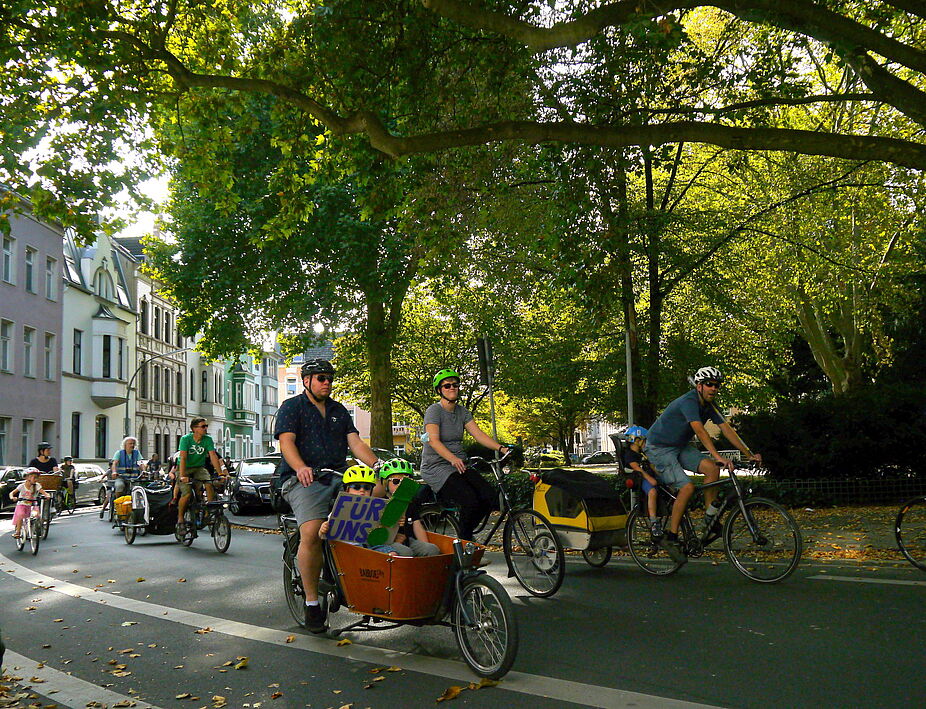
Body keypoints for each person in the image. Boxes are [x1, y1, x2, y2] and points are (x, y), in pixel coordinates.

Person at [274, 358, 381, 633]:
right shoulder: (292, 407)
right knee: (311, 533)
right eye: (321, 378)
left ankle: (362, 579)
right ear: (306, 381)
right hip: (303, 479)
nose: (327, 383)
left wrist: (378, 465)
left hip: (338, 475)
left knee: (376, 499)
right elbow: (286, 442)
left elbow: (355, 442)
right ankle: (311, 603)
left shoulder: (338, 410)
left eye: (330, 378)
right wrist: (300, 467)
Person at [645, 366, 762, 563]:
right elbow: (700, 431)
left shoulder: (710, 406)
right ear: (699, 386)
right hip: (659, 448)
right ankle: (671, 537)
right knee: (687, 487)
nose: (713, 388)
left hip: (679, 445)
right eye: (709, 384)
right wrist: (718, 456)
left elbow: (726, 429)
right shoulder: (689, 401)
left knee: (712, 469)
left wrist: (748, 454)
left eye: (717, 385)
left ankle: (709, 518)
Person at [420, 369, 509, 543]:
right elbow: (433, 441)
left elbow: (479, 434)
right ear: (439, 390)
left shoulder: (462, 412)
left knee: (489, 496)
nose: (452, 388)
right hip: (436, 466)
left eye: (455, 384)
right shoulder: (434, 411)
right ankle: (465, 541)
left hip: (459, 464)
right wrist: (452, 459)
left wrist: (501, 448)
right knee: (470, 500)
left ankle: (464, 531)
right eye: (447, 386)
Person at [318, 464, 406, 556]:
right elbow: (323, 536)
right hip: (348, 548)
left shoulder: (377, 508)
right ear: (346, 490)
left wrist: (396, 521)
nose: (362, 490)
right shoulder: (340, 508)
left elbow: (385, 531)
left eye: (367, 488)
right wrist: (322, 529)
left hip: (371, 545)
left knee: (392, 553)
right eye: (356, 487)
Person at [378, 458, 440, 557]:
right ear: (385, 483)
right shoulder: (380, 503)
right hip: (388, 542)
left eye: (405, 481)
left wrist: (426, 546)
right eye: (396, 481)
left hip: (408, 540)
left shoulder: (409, 503)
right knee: (405, 552)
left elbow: (417, 525)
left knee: (432, 549)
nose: (400, 485)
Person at [176, 418, 227, 530]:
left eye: (206, 426)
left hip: (199, 467)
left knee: (209, 483)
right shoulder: (185, 439)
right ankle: (180, 518)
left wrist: (220, 473)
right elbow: (183, 458)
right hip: (184, 468)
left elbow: (213, 456)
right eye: (203, 426)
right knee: (187, 494)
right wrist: (183, 476)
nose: (205, 428)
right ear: (194, 428)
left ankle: (208, 511)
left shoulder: (208, 439)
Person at [622, 426, 662, 537]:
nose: (645, 443)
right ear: (637, 440)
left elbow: (651, 465)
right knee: (652, 492)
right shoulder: (630, 454)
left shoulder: (642, 453)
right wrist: (650, 479)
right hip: (640, 479)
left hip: (646, 477)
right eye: (644, 440)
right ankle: (653, 522)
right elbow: (637, 468)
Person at [10, 468, 51, 539]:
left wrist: (47, 495)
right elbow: (12, 493)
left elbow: (44, 492)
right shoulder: (21, 486)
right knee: (21, 515)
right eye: (34, 477)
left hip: (33, 504)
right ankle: (18, 532)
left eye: (37, 478)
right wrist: (12, 497)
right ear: (27, 477)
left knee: (37, 516)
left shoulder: (37, 486)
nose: (36, 479)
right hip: (22, 504)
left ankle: (35, 528)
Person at [110, 436, 146, 500]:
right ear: (125, 445)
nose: (132, 445)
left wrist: (144, 471)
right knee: (119, 485)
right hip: (121, 477)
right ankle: (118, 501)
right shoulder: (119, 453)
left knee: (138, 489)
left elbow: (141, 463)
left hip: (134, 478)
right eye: (130, 443)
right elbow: (114, 463)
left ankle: (137, 502)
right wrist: (114, 472)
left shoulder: (137, 453)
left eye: (133, 444)